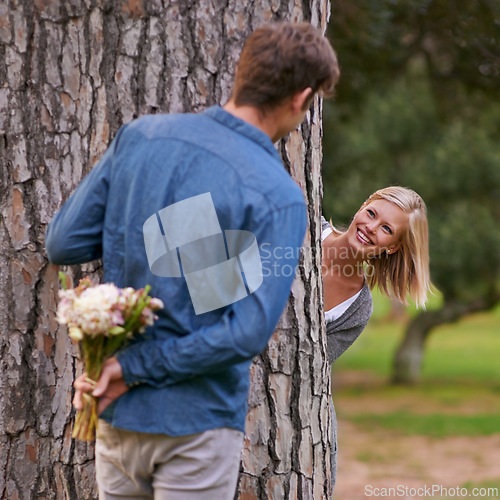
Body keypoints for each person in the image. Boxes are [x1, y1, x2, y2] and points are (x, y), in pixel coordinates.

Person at [45, 22, 340, 500]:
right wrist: (135, 366)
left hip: (120, 414)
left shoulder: (142, 137)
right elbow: (245, 331)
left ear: (244, 75)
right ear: (301, 97)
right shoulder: (277, 194)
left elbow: (63, 243)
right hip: (195, 424)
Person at [321, 186, 431, 491]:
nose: (370, 228)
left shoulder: (357, 309)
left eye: (386, 229)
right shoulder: (302, 226)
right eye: (371, 213)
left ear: (393, 247)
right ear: (362, 206)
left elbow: (310, 367)